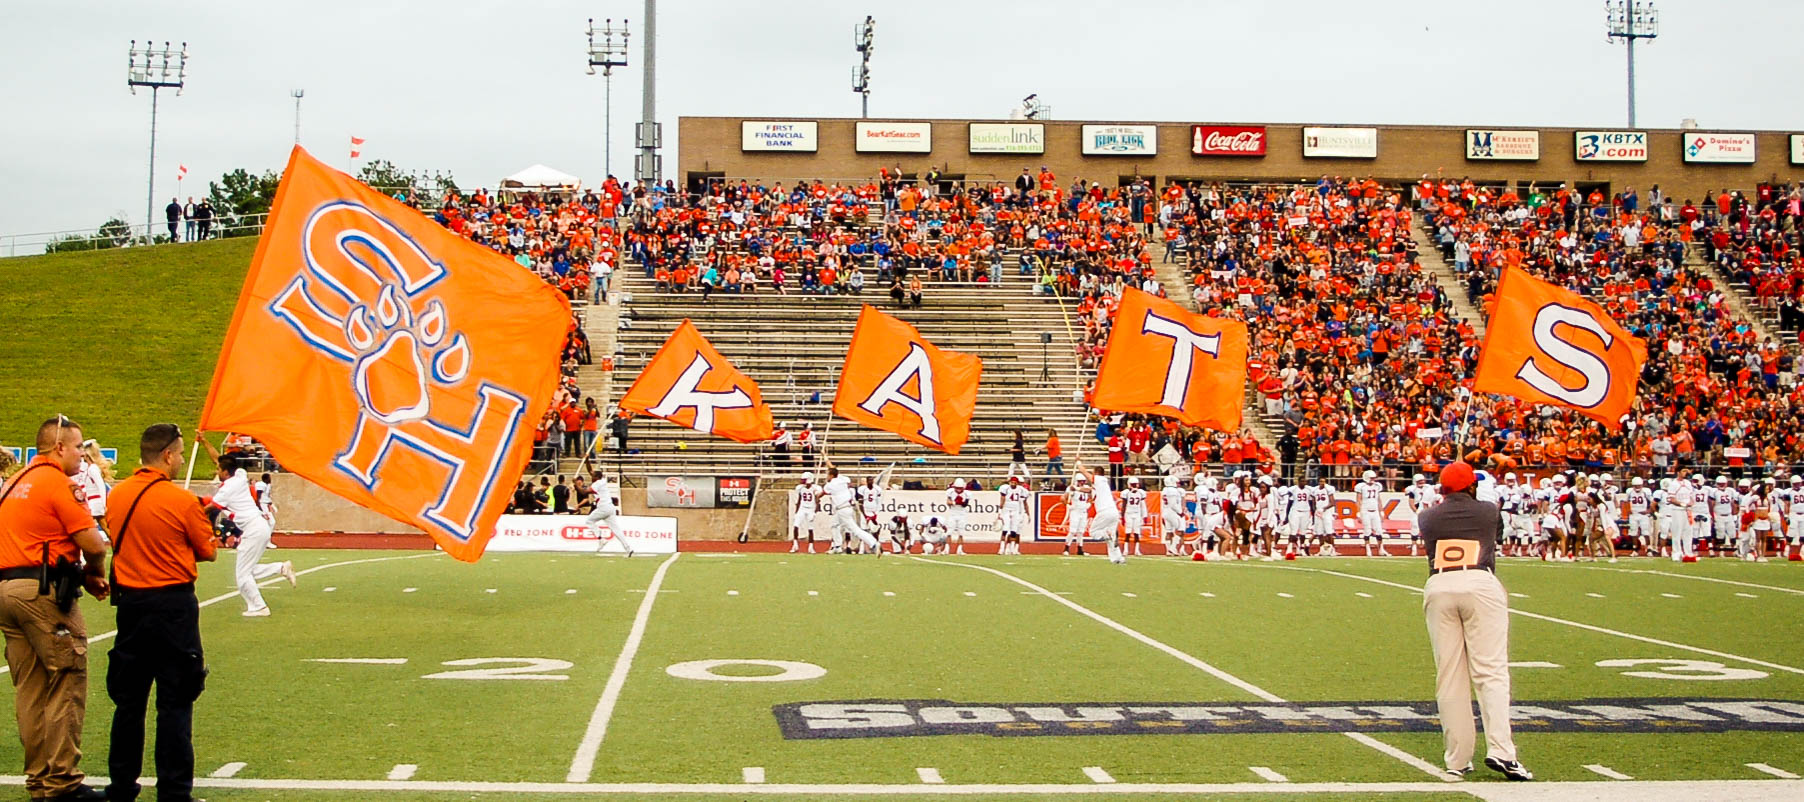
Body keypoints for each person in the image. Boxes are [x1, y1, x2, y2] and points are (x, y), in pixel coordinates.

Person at [103, 423, 218, 802]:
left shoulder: (117, 496)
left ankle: (121, 785)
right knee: (176, 700)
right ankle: (173, 790)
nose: (183, 459)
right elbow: (208, 550)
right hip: (172, 606)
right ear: (168, 456)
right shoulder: (181, 500)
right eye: (181, 453)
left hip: (132, 606)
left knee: (129, 702)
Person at [0, 415, 110, 802]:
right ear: (59, 447)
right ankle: (62, 781)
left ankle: (38, 780)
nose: (83, 454)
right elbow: (94, 543)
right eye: (79, 446)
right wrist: (95, 575)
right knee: (66, 680)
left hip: (7, 591)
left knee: (29, 690)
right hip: (43, 593)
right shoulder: (57, 483)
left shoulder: (14, 482)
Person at [1417, 462, 1532, 782]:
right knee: (1490, 671)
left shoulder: (1427, 517)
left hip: (1439, 585)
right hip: (1479, 582)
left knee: (1450, 675)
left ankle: (1457, 757)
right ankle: (1502, 750)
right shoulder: (1488, 511)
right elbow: (1496, 535)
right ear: (1471, 486)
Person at [199, 436, 295, 616]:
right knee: (248, 570)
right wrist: (204, 441)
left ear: (226, 472)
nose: (216, 470)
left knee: (242, 575)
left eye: (219, 469)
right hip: (259, 527)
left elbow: (210, 508)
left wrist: (185, 517)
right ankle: (280, 568)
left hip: (253, 529)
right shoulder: (240, 474)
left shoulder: (226, 490)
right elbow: (217, 458)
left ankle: (259, 607)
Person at [822, 464, 880, 555]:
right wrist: (824, 456)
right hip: (844, 508)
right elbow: (831, 466)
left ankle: (874, 543)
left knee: (855, 530)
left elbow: (822, 493)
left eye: (828, 474)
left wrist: (816, 497)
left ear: (832, 475)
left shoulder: (830, 485)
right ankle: (837, 546)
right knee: (834, 525)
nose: (827, 476)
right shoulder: (842, 478)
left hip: (842, 509)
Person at [74, 440, 112, 544]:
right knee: (106, 528)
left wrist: (104, 504)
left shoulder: (93, 469)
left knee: (81, 526)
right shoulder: (89, 468)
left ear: (87, 454)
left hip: (95, 504)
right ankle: (119, 547)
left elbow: (101, 486)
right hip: (94, 504)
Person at [585, 473, 632, 557]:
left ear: (597, 477)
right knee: (616, 530)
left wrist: (576, 485)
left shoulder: (597, 483)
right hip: (610, 508)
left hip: (603, 508)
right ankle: (628, 548)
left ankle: (601, 539)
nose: (591, 477)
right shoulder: (602, 481)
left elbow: (584, 491)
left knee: (589, 521)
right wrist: (587, 460)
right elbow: (591, 470)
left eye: (593, 476)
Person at [790, 472, 820, 553]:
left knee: (810, 528)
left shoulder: (815, 488)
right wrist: (796, 511)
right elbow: (799, 500)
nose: (802, 481)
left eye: (804, 480)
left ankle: (811, 547)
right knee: (796, 526)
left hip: (810, 509)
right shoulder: (800, 488)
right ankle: (795, 545)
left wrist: (815, 511)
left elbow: (818, 501)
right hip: (802, 508)